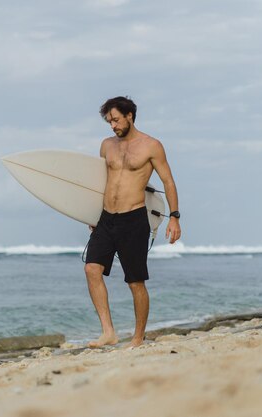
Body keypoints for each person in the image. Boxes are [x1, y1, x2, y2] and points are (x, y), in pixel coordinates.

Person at [84, 96, 181, 348]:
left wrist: (174, 217)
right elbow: (102, 182)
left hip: (134, 219)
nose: (112, 125)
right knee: (91, 269)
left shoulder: (151, 146)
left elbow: (168, 181)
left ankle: (138, 338)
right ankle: (108, 332)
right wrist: (90, 214)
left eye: (115, 120)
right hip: (106, 219)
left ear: (129, 116)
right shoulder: (107, 145)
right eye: (109, 121)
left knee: (135, 281)